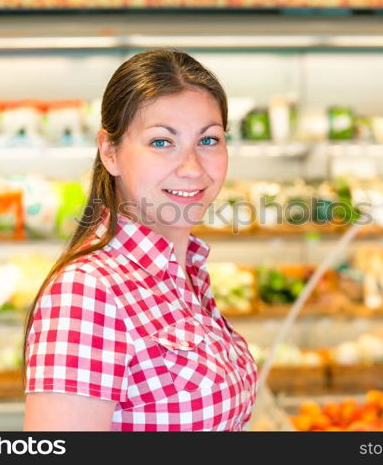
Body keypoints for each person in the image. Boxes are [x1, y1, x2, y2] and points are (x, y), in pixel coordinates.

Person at [23, 49, 258, 431]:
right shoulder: (88, 293)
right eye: (162, 142)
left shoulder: (184, 273)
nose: (192, 167)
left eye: (209, 140)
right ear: (110, 151)